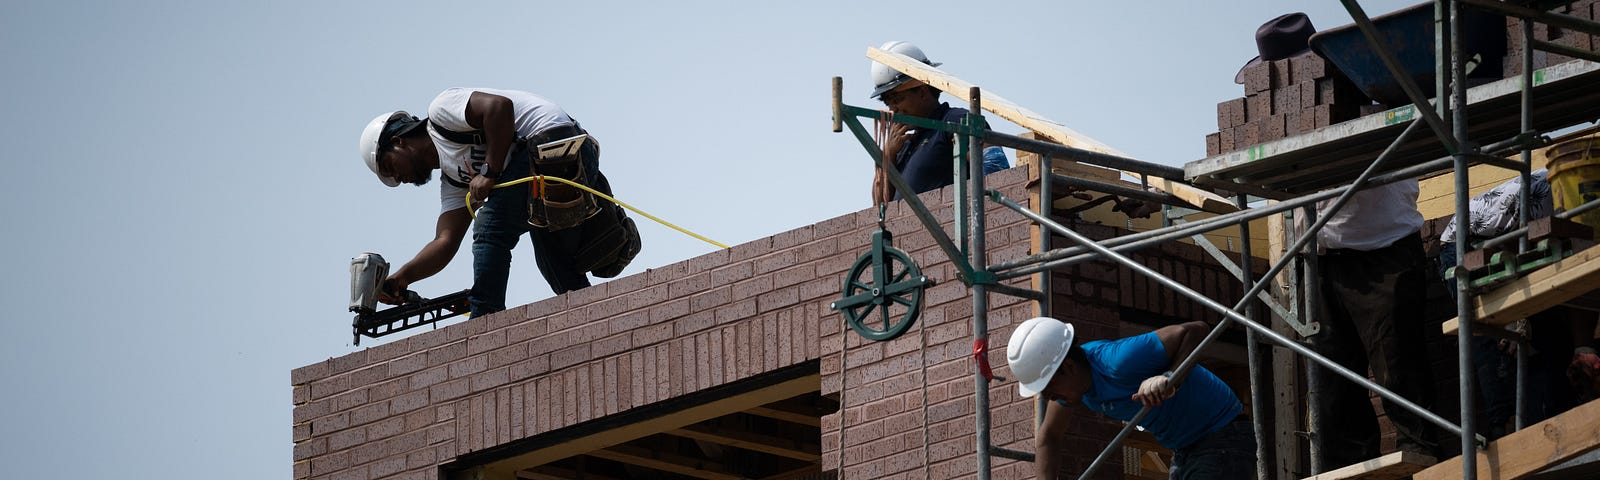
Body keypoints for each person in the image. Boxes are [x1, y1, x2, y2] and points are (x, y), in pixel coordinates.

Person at [358, 87, 639, 318]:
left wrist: (489, 172)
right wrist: (403, 277)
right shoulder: (454, 180)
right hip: (550, 168)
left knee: (490, 228)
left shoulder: (442, 112)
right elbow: (445, 241)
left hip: (556, 144)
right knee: (553, 260)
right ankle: (592, 316)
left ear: (398, 141)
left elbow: (498, 108)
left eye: (388, 166)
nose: (397, 177)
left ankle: (485, 319)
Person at [1436, 170, 1599, 438]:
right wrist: (1513, 307)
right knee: (1502, 343)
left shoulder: (1583, 202)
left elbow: (1579, 280)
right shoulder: (1567, 191)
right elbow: (1517, 239)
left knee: (1554, 347)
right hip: (1468, 246)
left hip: (1516, 250)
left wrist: (1584, 346)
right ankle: (1508, 430)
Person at [1008, 317, 1254, 479]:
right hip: (1186, 448)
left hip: (1223, 434)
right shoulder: (1072, 390)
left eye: (1049, 387)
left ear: (1069, 367)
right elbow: (1048, 438)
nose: (1049, 397)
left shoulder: (1119, 361)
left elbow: (1197, 330)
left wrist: (1170, 377)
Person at [1304, 179, 1444, 465]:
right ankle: (1351, 466)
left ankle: (1421, 461)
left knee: (1398, 365)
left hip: (1382, 245)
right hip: (1314, 258)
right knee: (1330, 384)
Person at [868, 41, 971, 205]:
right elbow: (880, 208)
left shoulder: (954, 121)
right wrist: (889, 154)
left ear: (922, 91)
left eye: (897, 100)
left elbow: (994, 170)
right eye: (889, 103)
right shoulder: (905, 145)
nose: (894, 110)